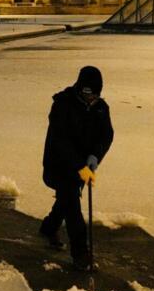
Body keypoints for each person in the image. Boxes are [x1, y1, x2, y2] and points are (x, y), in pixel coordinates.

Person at [39, 65, 114, 270]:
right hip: (59, 164)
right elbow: (60, 140)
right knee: (72, 205)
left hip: (83, 166)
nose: (91, 98)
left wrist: (95, 156)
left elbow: (106, 135)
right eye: (87, 93)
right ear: (79, 88)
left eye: (95, 94)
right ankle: (80, 254)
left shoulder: (101, 108)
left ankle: (48, 228)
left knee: (66, 200)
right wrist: (80, 165)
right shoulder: (62, 105)